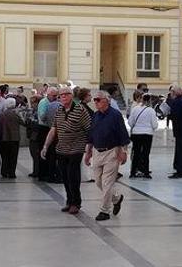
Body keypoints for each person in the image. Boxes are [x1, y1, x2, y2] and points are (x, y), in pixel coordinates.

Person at [41, 87, 91, 214]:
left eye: (65, 95)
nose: (62, 97)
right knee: (65, 176)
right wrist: (46, 146)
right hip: (61, 148)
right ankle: (69, 201)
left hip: (76, 148)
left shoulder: (80, 110)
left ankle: (76, 202)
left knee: (73, 175)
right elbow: (53, 129)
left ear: (71, 96)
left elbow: (89, 128)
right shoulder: (59, 110)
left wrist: (89, 148)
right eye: (60, 95)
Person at [85, 90, 130, 221]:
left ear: (107, 100)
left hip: (112, 152)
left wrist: (124, 152)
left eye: (98, 100)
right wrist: (88, 153)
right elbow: (91, 135)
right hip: (97, 152)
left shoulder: (115, 115)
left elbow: (123, 134)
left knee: (107, 182)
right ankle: (116, 198)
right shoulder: (96, 115)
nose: (96, 102)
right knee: (99, 182)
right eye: (95, 100)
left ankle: (105, 211)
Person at [128, 93, 159, 178]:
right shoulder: (151, 111)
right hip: (147, 134)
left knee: (136, 153)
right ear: (149, 100)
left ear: (142, 99)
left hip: (136, 134)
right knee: (146, 154)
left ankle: (133, 172)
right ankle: (146, 172)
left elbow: (130, 122)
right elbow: (155, 125)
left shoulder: (135, 109)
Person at [36, 87, 60, 182]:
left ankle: (48, 173)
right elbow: (42, 116)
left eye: (56, 96)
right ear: (48, 94)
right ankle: (43, 174)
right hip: (44, 129)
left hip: (50, 128)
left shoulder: (52, 103)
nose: (55, 98)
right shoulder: (44, 102)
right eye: (54, 96)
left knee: (50, 153)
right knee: (44, 151)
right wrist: (50, 117)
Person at [0, 98, 22, 179]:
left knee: (4, 157)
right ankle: (12, 173)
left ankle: (4, 172)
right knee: (13, 157)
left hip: (4, 138)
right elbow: (24, 122)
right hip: (15, 139)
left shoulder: (1, 115)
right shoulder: (16, 114)